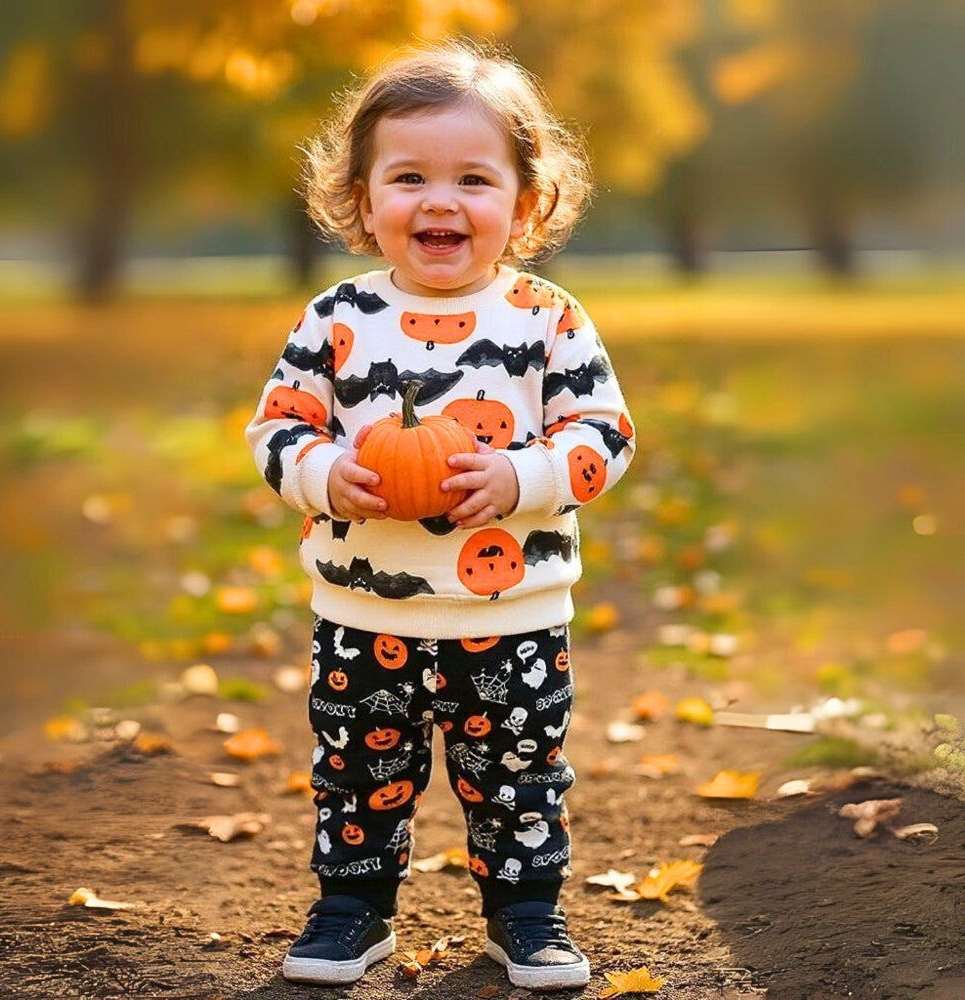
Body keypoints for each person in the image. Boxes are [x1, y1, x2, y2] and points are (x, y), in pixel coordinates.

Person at [245, 39, 635, 991]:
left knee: (516, 780)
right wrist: (324, 472)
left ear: (526, 201)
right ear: (363, 197)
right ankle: (351, 912)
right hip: (364, 612)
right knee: (358, 776)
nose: (440, 202)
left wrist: (525, 478)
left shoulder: (547, 318)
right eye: (409, 176)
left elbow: (604, 432)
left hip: (513, 616)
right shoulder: (337, 318)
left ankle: (526, 918)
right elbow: (277, 426)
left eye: (474, 178)